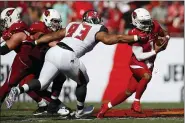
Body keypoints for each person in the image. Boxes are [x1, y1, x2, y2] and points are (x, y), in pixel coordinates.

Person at [7, 10, 148, 118]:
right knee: (83, 81)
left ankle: (18, 90)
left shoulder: (72, 25)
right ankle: (80, 111)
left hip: (54, 51)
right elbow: (112, 39)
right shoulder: (96, 29)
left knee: (42, 82)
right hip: (67, 55)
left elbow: (54, 36)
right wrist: (136, 37)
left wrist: (36, 42)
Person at [97, 8, 170, 118]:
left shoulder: (154, 25)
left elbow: (164, 34)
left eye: (148, 21)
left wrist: (166, 39)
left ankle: (106, 107)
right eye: (144, 22)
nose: (148, 25)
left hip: (149, 63)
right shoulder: (133, 33)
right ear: (136, 22)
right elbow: (140, 56)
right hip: (137, 62)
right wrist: (156, 50)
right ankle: (136, 102)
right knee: (147, 76)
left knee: (128, 91)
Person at [0, 8, 69, 116]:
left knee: (9, 85)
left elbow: (4, 50)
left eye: (57, 21)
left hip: (27, 61)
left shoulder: (20, 32)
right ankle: (53, 106)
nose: (56, 24)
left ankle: (54, 105)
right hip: (37, 60)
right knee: (33, 85)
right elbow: (39, 37)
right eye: (54, 21)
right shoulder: (34, 28)